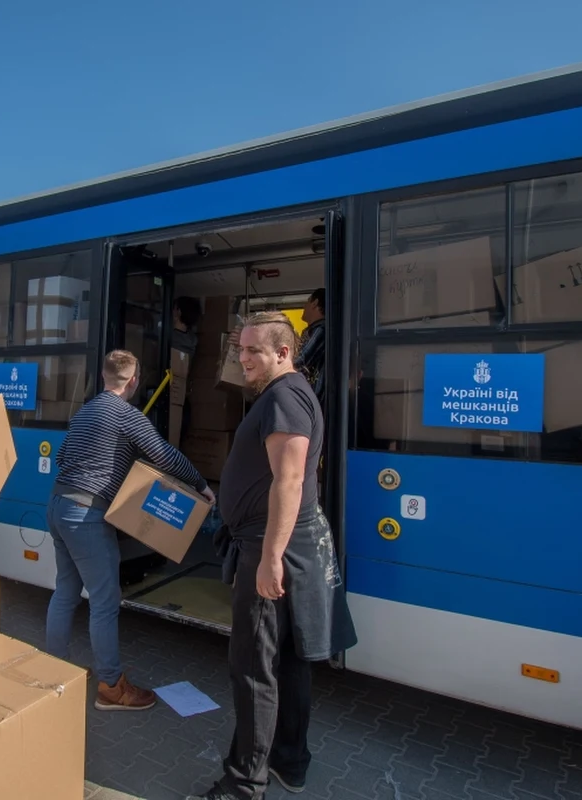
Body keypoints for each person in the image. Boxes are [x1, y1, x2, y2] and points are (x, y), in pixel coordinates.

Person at [191, 312, 356, 800]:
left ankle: (244, 784)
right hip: (274, 543)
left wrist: (269, 558)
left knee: (253, 668)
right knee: (288, 662)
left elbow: (290, 480)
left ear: (283, 352)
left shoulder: (284, 398)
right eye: (239, 350)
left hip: (269, 549)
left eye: (253, 351)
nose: (242, 359)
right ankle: (289, 762)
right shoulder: (287, 394)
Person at [46, 349, 216, 711]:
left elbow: (62, 458)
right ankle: (111, 687)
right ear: (134, 381)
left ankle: (53, 673)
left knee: (65, 592)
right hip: (86, 514)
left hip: (58, 506)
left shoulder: (86, 411)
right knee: (105, 603)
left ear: (105, 376)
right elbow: (165, 456)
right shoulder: (127, 416)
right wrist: (200, 484)